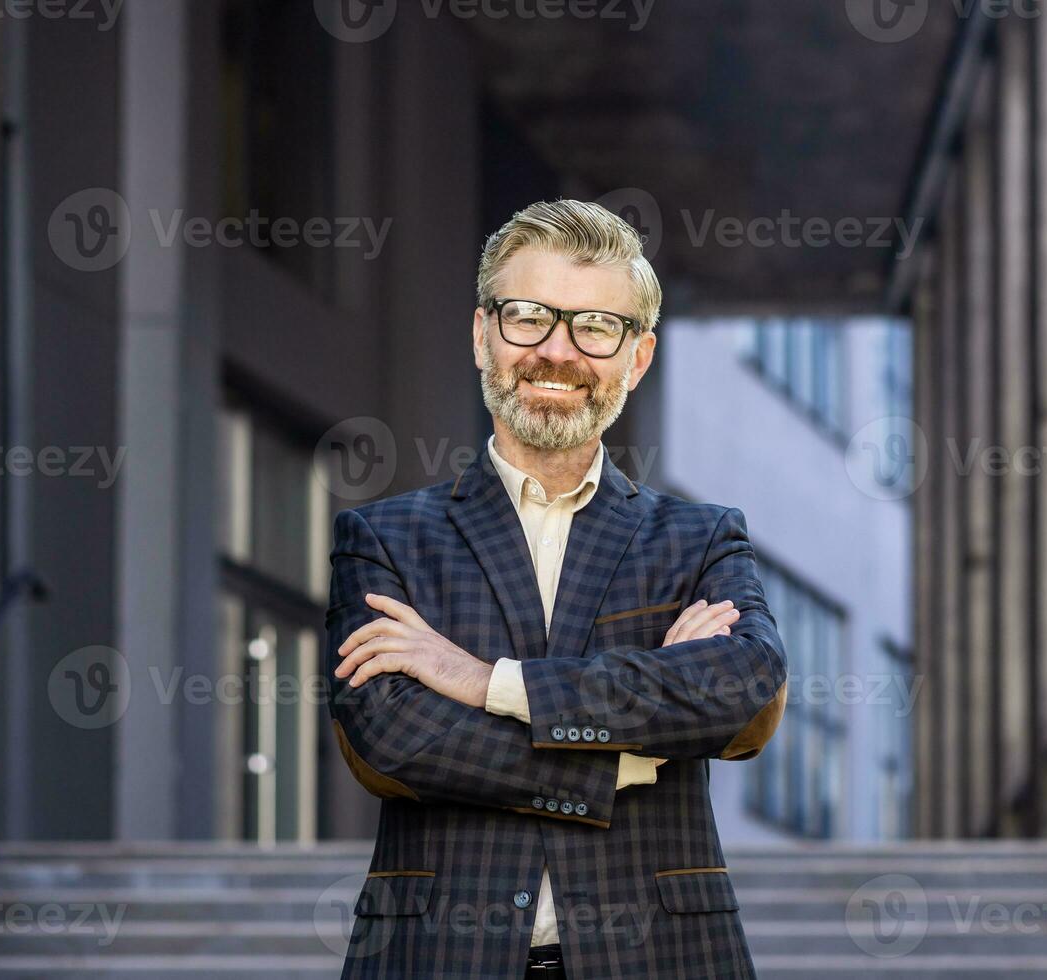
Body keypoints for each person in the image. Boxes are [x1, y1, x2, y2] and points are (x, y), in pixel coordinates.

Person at [326, 199, 788, 979]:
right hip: (437, 955)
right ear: (482, 335)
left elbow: (741, 689)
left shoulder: (702, 538)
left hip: (665, 956)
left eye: (595, 327)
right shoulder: (384, 539)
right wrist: (633, 755)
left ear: (636, 359)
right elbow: (395, 736)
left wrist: (484, 682)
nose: (556, 351)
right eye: (529, 317)